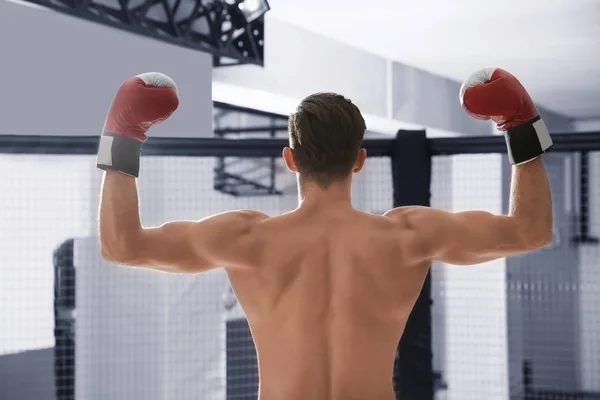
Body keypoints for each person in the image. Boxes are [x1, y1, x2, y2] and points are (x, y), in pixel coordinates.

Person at [97, 69, 554, 400]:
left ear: (290, 160)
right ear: (359, 159)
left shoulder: (246, 239)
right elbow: (530, 230)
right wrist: (520, 125)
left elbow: (123, 245)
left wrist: (124, 133)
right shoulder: (409, 237)